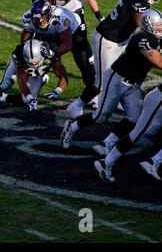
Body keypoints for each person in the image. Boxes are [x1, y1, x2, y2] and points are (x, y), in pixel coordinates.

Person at [60, 9, 162, 153]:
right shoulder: (143, 37)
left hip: (133, 84)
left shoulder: (153, 34)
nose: (160, 28)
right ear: (148, 24)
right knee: (101, 116)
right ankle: (72, 127)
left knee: (134, 118)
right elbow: (158, 60)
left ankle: (107, 143)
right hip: (117, 79)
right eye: (158, 26)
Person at [31, 0, 103, 115]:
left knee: (82, 58)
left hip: (74, 19)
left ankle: (93, 94)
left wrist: (100, 17)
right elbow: (36, 5)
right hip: (53, 18)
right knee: (39, 49)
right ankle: (39, 78)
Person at [90, 0, 160, 110]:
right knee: (103, 78)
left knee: (118, 72)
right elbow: (141, 25)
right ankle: (88, 101)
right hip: (106, 39)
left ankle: (118, 100)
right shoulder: (137, 1)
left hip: (121, 39)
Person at [21, 0, 98, 115]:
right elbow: (25, 37)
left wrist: (53, 54)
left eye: (42, 17)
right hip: (51, 31)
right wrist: (25, 50)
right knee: (36, 53)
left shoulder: (60, 19)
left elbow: (67, 44)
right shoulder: (28, 19)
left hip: (74, 30)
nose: (40, 21)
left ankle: (94, 95)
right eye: (36, 18)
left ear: (49, 15)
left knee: (83, 63)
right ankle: (40, 77)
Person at [0, 38, 68, 115]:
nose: (33, 64)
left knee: (26, 101)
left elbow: (63, 75)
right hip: (21, 66)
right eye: (30, 62)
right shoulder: (20, 56)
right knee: (4, 85)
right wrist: (30, 98)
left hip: (39, 70)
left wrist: (57, 91)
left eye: (34, 62)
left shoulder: (51, 54)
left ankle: (2, 97)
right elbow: (21, 81)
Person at [94, 85, 161, 182]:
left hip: (158, 101)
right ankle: (106, 163)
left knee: (139, 135)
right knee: (137, 135)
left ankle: (154, 161)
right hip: (158, 102)